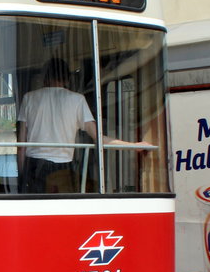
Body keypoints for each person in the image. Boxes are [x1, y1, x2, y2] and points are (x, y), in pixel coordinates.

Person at [16, 58, 145, 193]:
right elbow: (98, 137)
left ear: (45, 77)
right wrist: (133, 146)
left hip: (35, 165)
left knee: (36, 210)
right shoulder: (77, 100)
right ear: (67, 79)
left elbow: (21, 145)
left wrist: (22, 176)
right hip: (63, 166)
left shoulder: (29, 98)